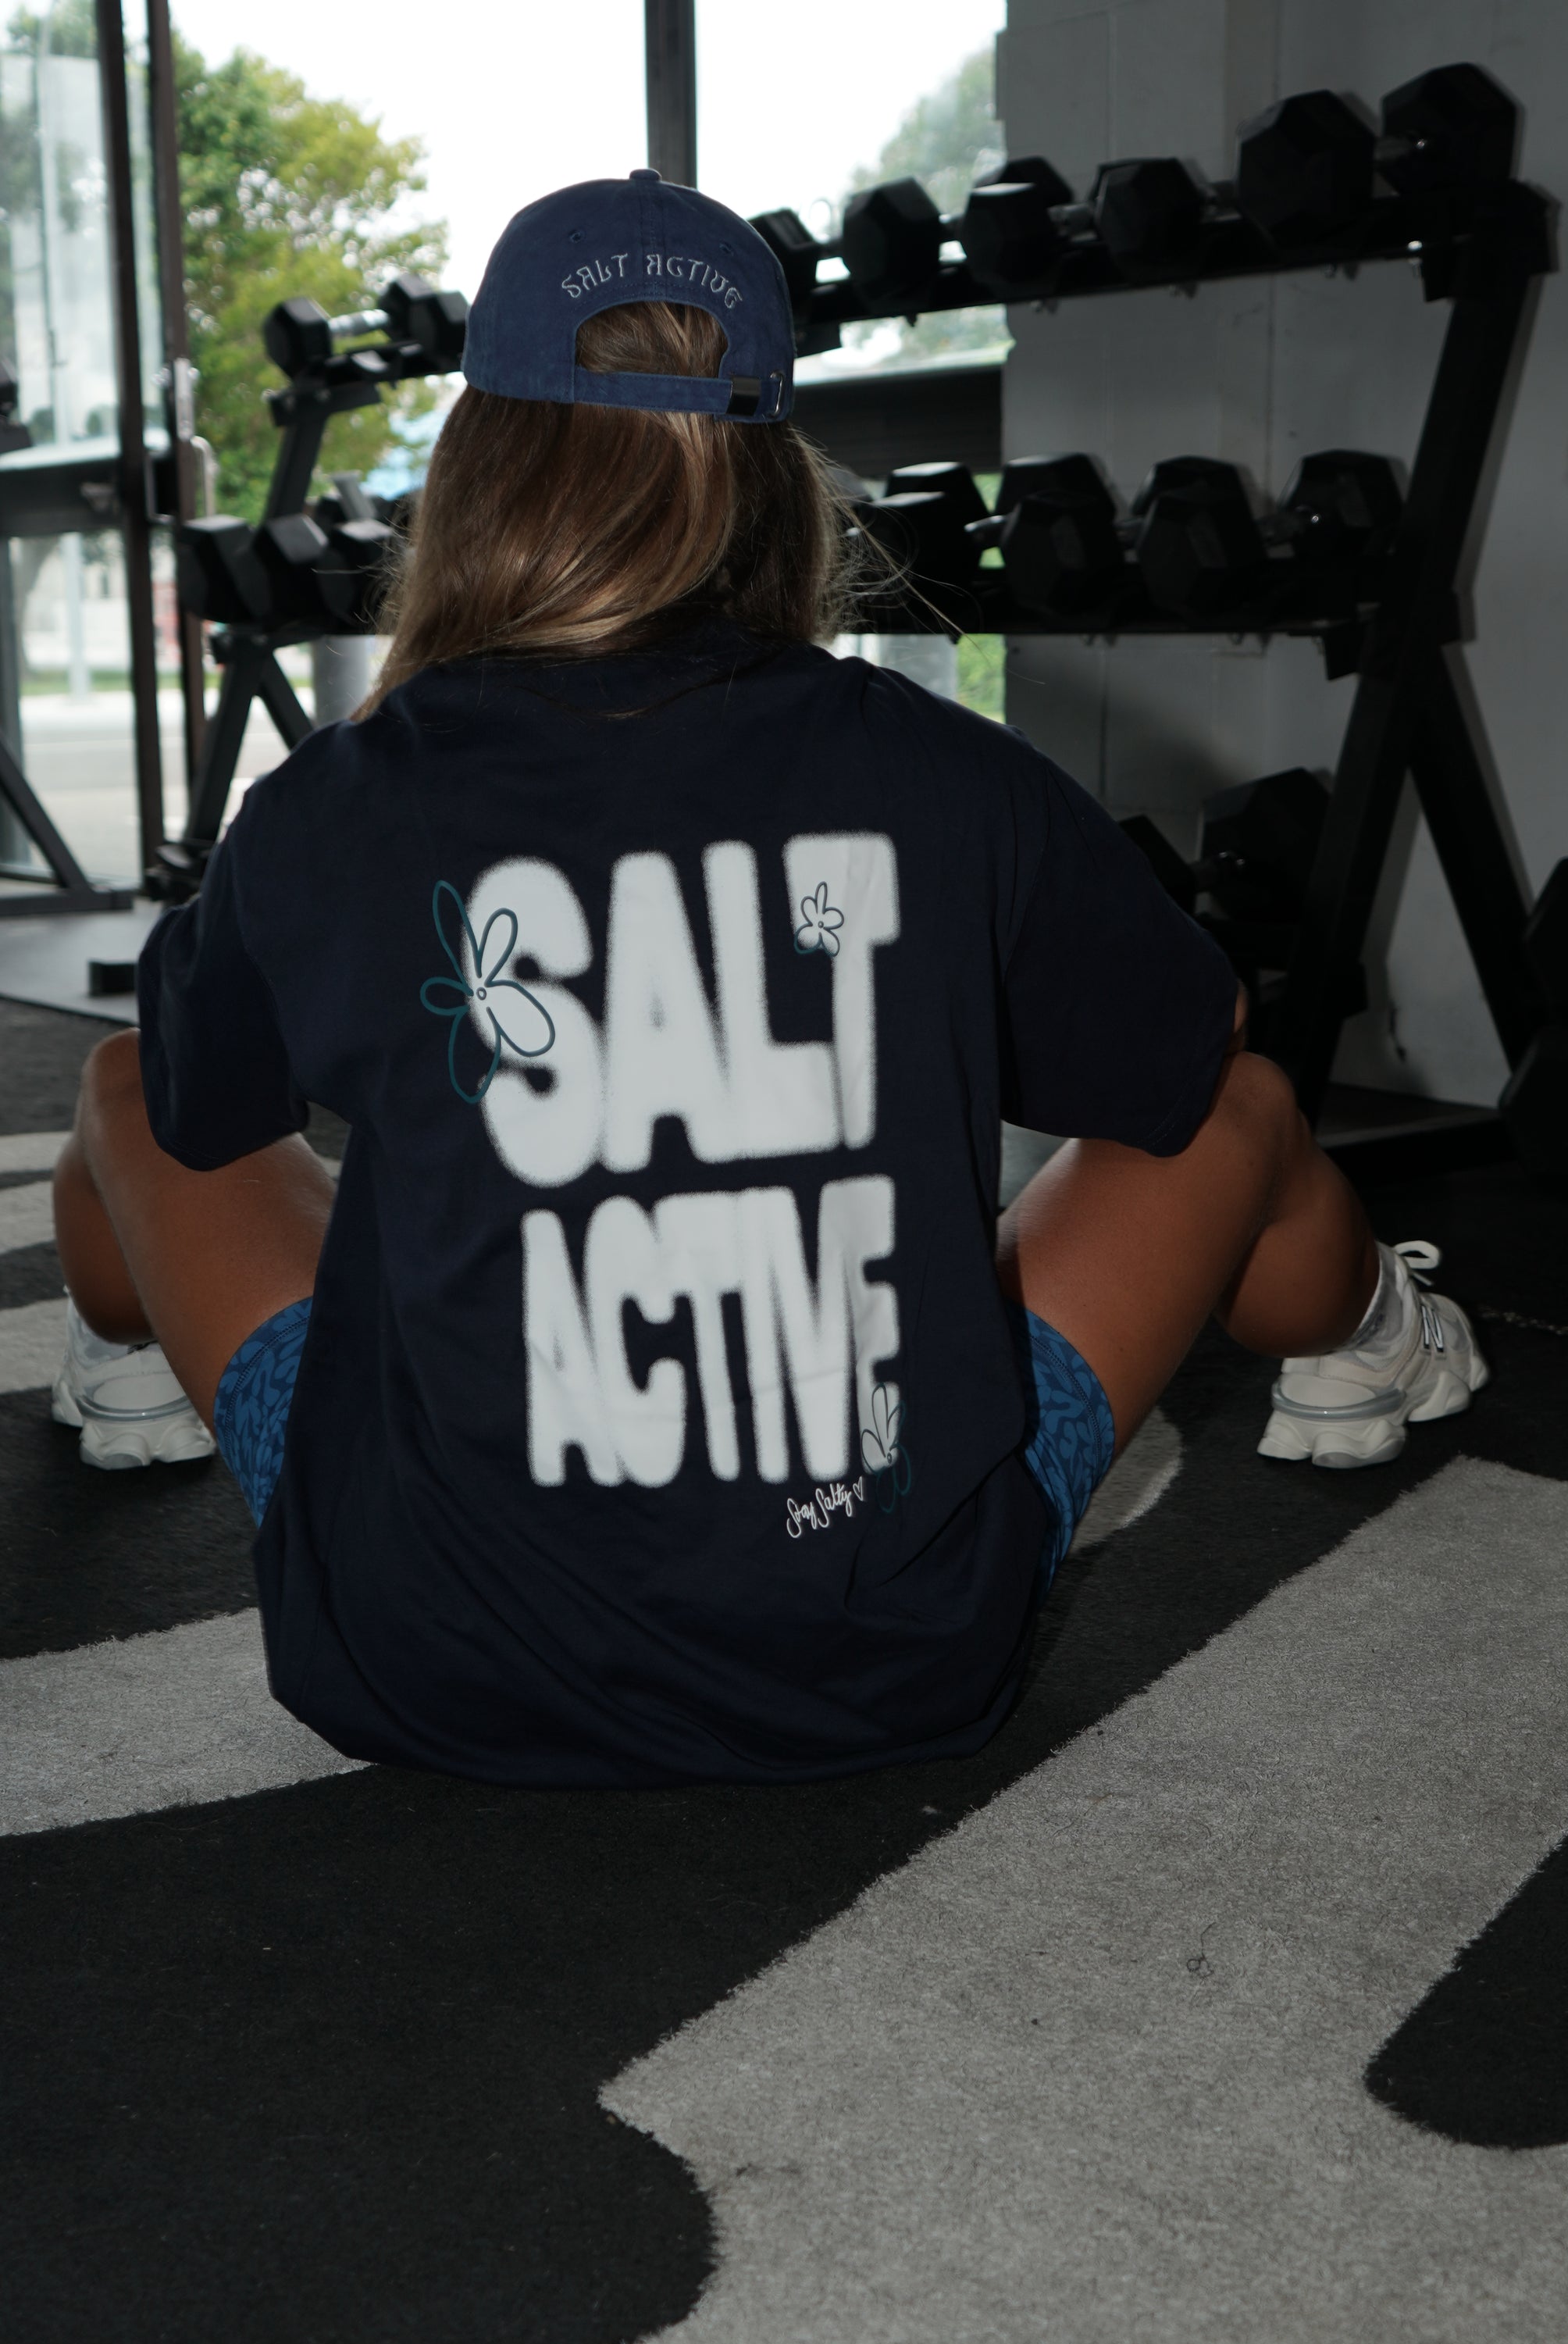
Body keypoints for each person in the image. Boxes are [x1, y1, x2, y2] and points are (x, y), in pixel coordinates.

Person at [48, 172, 1486, 1788]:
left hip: (416, 1651)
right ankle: (1368, 1339)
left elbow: (202, 1102)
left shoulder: (337, 803)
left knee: (130, 1083)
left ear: (476, 466)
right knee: (1238, 1107)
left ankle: (119, 1369)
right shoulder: (948, 775)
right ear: (774, 476)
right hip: (890, 1653)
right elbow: (1184, 1047)